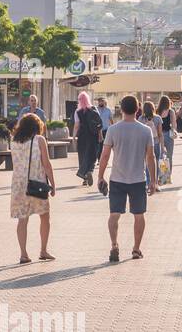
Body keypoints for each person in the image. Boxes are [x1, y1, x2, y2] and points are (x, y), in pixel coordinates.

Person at [96, 95, 158, 262]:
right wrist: (153, 180)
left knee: (114, 214)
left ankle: (114, 245)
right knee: (139, 215)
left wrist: (100, 176)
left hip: (117, 179)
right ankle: (136, 249)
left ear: (121, 109)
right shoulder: (145, 131)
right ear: (137, 109)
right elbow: (150, 157)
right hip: (138, 179)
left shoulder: (113, 130)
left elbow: (105, 155)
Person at [10, 113, 56, 263]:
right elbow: (47, 164)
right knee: (44, 216)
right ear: (37, 126)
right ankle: (43, 250)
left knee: (22, 220)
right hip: (37, 184)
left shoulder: (14, 141)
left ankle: (23, 254)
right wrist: (53, 184)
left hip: (18, 185)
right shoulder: (39, 140)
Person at [72, 91, 103, 186]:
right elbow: (99, 123)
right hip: (93, 136)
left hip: (82, 137)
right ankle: (90, 170)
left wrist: (74, 136)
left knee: (83, 156)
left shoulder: (77, 112)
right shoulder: (94, 109)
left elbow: (77, 125)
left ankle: (84, 177)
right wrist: (100, 135)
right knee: (93, 155)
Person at [156, 95, 175, 179]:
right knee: (169, 155)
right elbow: (174, 125)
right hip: (168, 135)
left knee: (160, 155)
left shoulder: (157, 111)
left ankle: (162, 175)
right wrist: (173, 130)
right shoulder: (171, 112)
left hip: (159, 135)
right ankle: (168, 176)